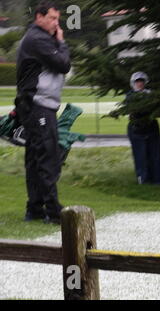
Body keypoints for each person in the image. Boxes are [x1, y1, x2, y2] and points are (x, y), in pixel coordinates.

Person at [15, 1, 71, 224]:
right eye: (52, 18)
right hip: (39, 105)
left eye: (58, 19)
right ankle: (53, 210)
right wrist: (61, 43)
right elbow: (63, 64)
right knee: (47, 157)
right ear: (39, 16)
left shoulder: (39, 38)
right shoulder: (38, 39)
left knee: (36, 158)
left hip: (37, 105)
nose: (56, 23)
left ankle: (35, 207)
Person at [126, 72, 160, 185]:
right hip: (137, 129)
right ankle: (143, 179)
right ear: (133, 83)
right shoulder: (130, 95)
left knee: (155, 155)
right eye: (137, 81)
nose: (140, 83)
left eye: (141, 81)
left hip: (151, 128)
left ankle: (157, 180)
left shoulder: (151, 94)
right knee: (141, 156)